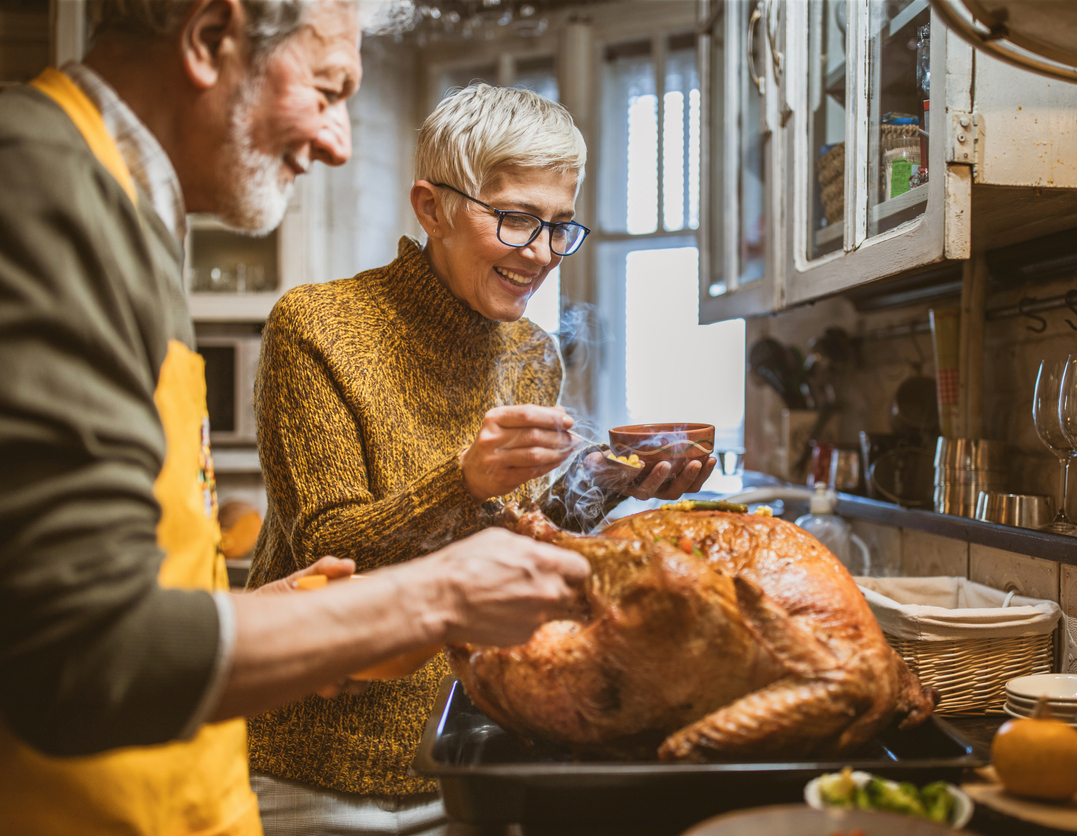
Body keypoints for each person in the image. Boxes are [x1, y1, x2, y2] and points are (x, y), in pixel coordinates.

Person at [0, 3, 589, 835]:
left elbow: (143, 578)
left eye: (556, 226)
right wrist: (439, 592)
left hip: (195, 791)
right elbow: (81, 647)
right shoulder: (41, 178)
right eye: (326, 88)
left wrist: (279, 609)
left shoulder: (131, 210)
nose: (340, 142)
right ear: (210, 40)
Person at [243, 83, 716, 831]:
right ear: (431, 208)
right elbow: (328, 557)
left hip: (475, 744)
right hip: (317, 768)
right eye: (516, 219)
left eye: (561, 226)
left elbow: (514, 531)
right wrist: (462, 479)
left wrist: (605, 487)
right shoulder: (317, 328)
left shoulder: (533, 352)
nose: (542, 254)